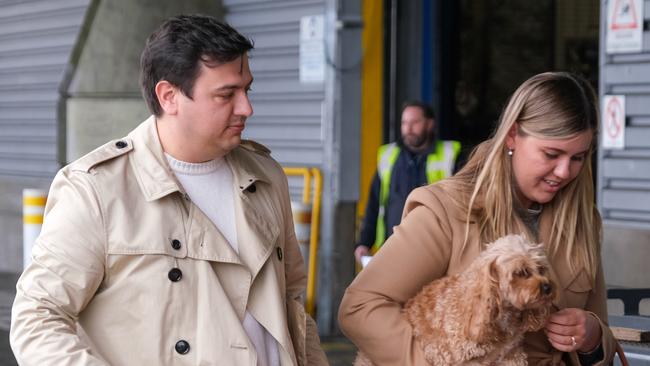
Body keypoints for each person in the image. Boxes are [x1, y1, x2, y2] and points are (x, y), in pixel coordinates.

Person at [10, 14, 328, 366]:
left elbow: (291, 303)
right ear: (169, 96)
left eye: (246, 89)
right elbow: (36, 318)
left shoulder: (267, 176)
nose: (246, 108)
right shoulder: (97, 189)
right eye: (226, 95)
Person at [339, 72, 618, 365]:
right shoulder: (445, 211)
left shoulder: (584, 221)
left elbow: (600, 340)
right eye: (551, 154)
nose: (564, 172)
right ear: (512, 135)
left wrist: (594, 338)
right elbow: (360, 307)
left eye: (578, 158)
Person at [354, 101, 460, 264]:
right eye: (404, 123)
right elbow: (374, 203)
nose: (408, 128)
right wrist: (364, 242)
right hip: (391, 246)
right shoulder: (388, 156)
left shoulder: (450, 156)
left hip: (434, 249)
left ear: (430, 124)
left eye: (415, 122)